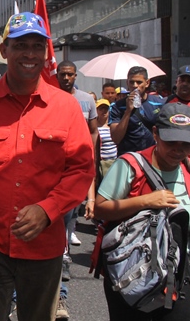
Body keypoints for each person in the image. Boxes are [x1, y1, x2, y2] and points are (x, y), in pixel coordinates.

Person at [0, 12, 95, 321]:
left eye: (38, 46)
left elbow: (81, 169)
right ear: (4, 51)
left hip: (43, 244)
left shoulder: (65, 107)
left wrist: (49, 209)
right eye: (20, 45)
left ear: (47, 53)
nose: (29, 54)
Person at [95, 102, 190, 321]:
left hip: (180, 273)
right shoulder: (130, 165)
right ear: (155, 134)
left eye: (185, 143)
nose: (178, 149)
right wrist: (145, 201)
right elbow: (100, 207)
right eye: (171, 141)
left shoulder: (186, 167)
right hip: (135, 274)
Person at [56, 60, 99, 318]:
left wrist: (89, 156)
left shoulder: (86, 100)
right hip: (48, 179)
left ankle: (61, 292)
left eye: (70, 75)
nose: (67, 78)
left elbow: (93, 132)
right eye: (62, 74)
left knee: (65, 230)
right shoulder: (47, 98)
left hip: (74, 178)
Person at [109, 66, 165, 156]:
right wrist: (127, 111)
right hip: (128, 158)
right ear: (127, 83)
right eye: (131, 82)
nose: (135, 85)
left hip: (152, 157)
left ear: (147, 83)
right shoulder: (117, 106)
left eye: (139, 82)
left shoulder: (159, 103)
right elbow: (116, 138)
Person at [96, 99, 118, 178]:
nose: (104, 111)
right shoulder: (94, 128)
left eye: (106, 108)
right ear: (96, 111)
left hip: (115, 162)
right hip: (103, 164)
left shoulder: (113, 125)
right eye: (101, 109)